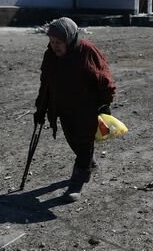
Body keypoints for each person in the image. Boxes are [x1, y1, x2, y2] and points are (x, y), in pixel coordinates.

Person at [33, 17, 116, 202]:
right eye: (52, 42)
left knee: (84, 142)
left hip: (87, 108)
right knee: (73, 140)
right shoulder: (51, 55)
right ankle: (89, 163)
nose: (55, 46)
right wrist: (40, 108)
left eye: (59, 42)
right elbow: (45, 83)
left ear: (69, 39)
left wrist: (105, 104)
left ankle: (77, 182)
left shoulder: (86, 51)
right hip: (63, 107)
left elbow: (105, 79)